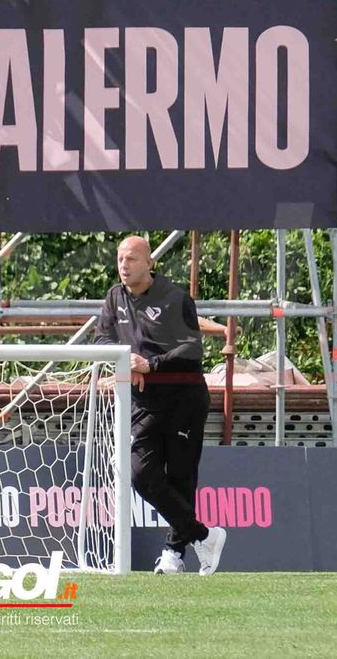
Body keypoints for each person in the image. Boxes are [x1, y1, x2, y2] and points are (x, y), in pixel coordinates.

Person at [93, 235, 226, 576]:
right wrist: (125, 362)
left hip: (184, 399)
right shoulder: (114, 297)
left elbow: (190, 349)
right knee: (141, 476)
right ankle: (204, 536)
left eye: (133, 259)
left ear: (150, 263)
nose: (125, 265)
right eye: (120, 259)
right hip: (145, 401)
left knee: (181, 477)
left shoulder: (174, 297)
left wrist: (149, 365)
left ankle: (173, 554)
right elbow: (102, 340)